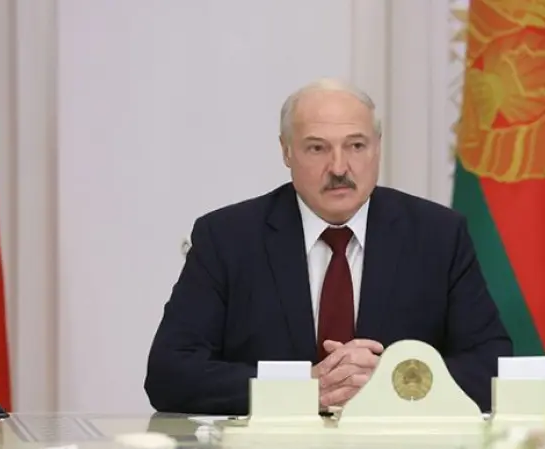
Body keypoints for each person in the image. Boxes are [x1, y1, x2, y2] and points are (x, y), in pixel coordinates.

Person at [144, 78, 512, 416]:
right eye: (317, 148)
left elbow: (493, 368)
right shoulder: (227, 238)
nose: (339, 167)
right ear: (286, 151)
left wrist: (393, 379)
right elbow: (169, 374)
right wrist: (302, 388)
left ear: (377, 148)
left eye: (356, 146)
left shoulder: (437, 235)